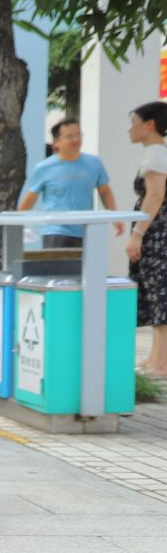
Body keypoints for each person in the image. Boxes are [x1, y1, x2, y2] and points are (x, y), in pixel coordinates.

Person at [19, 118, 117, 250]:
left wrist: (115, 216)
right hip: (56, 231)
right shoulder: (44, 168)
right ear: (57, 142)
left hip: (86, 229)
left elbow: (105, 191)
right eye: (70, 136)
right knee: (59, 270)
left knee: (87, 269)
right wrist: (18, 224)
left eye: (78, 135)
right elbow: (30, 198)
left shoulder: (94, 163)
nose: (76, 140)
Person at [125, 102, 167, 378]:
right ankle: (155, 357)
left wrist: (138, 233)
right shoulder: (157, 152)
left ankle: (161, 363)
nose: (130, 129)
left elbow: (154, 197)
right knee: (156, 293)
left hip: (156, 232)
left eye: (134, 122)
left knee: (159, 292)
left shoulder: (155, 154)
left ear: (149, 125)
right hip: (157, 229)